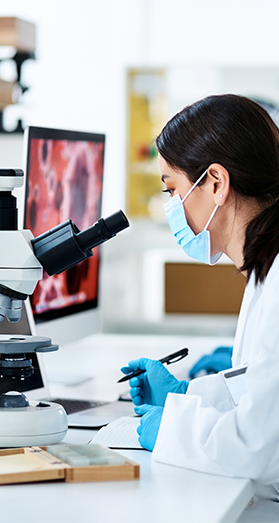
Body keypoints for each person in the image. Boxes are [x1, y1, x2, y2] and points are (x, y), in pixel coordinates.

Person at [121, 94, 279, 503]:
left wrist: (171, 429)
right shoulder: (266, 269)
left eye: (172, 189)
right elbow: (262, 393)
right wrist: (185, 397)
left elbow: (258, 450)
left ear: (215, 183)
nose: (171, 206)